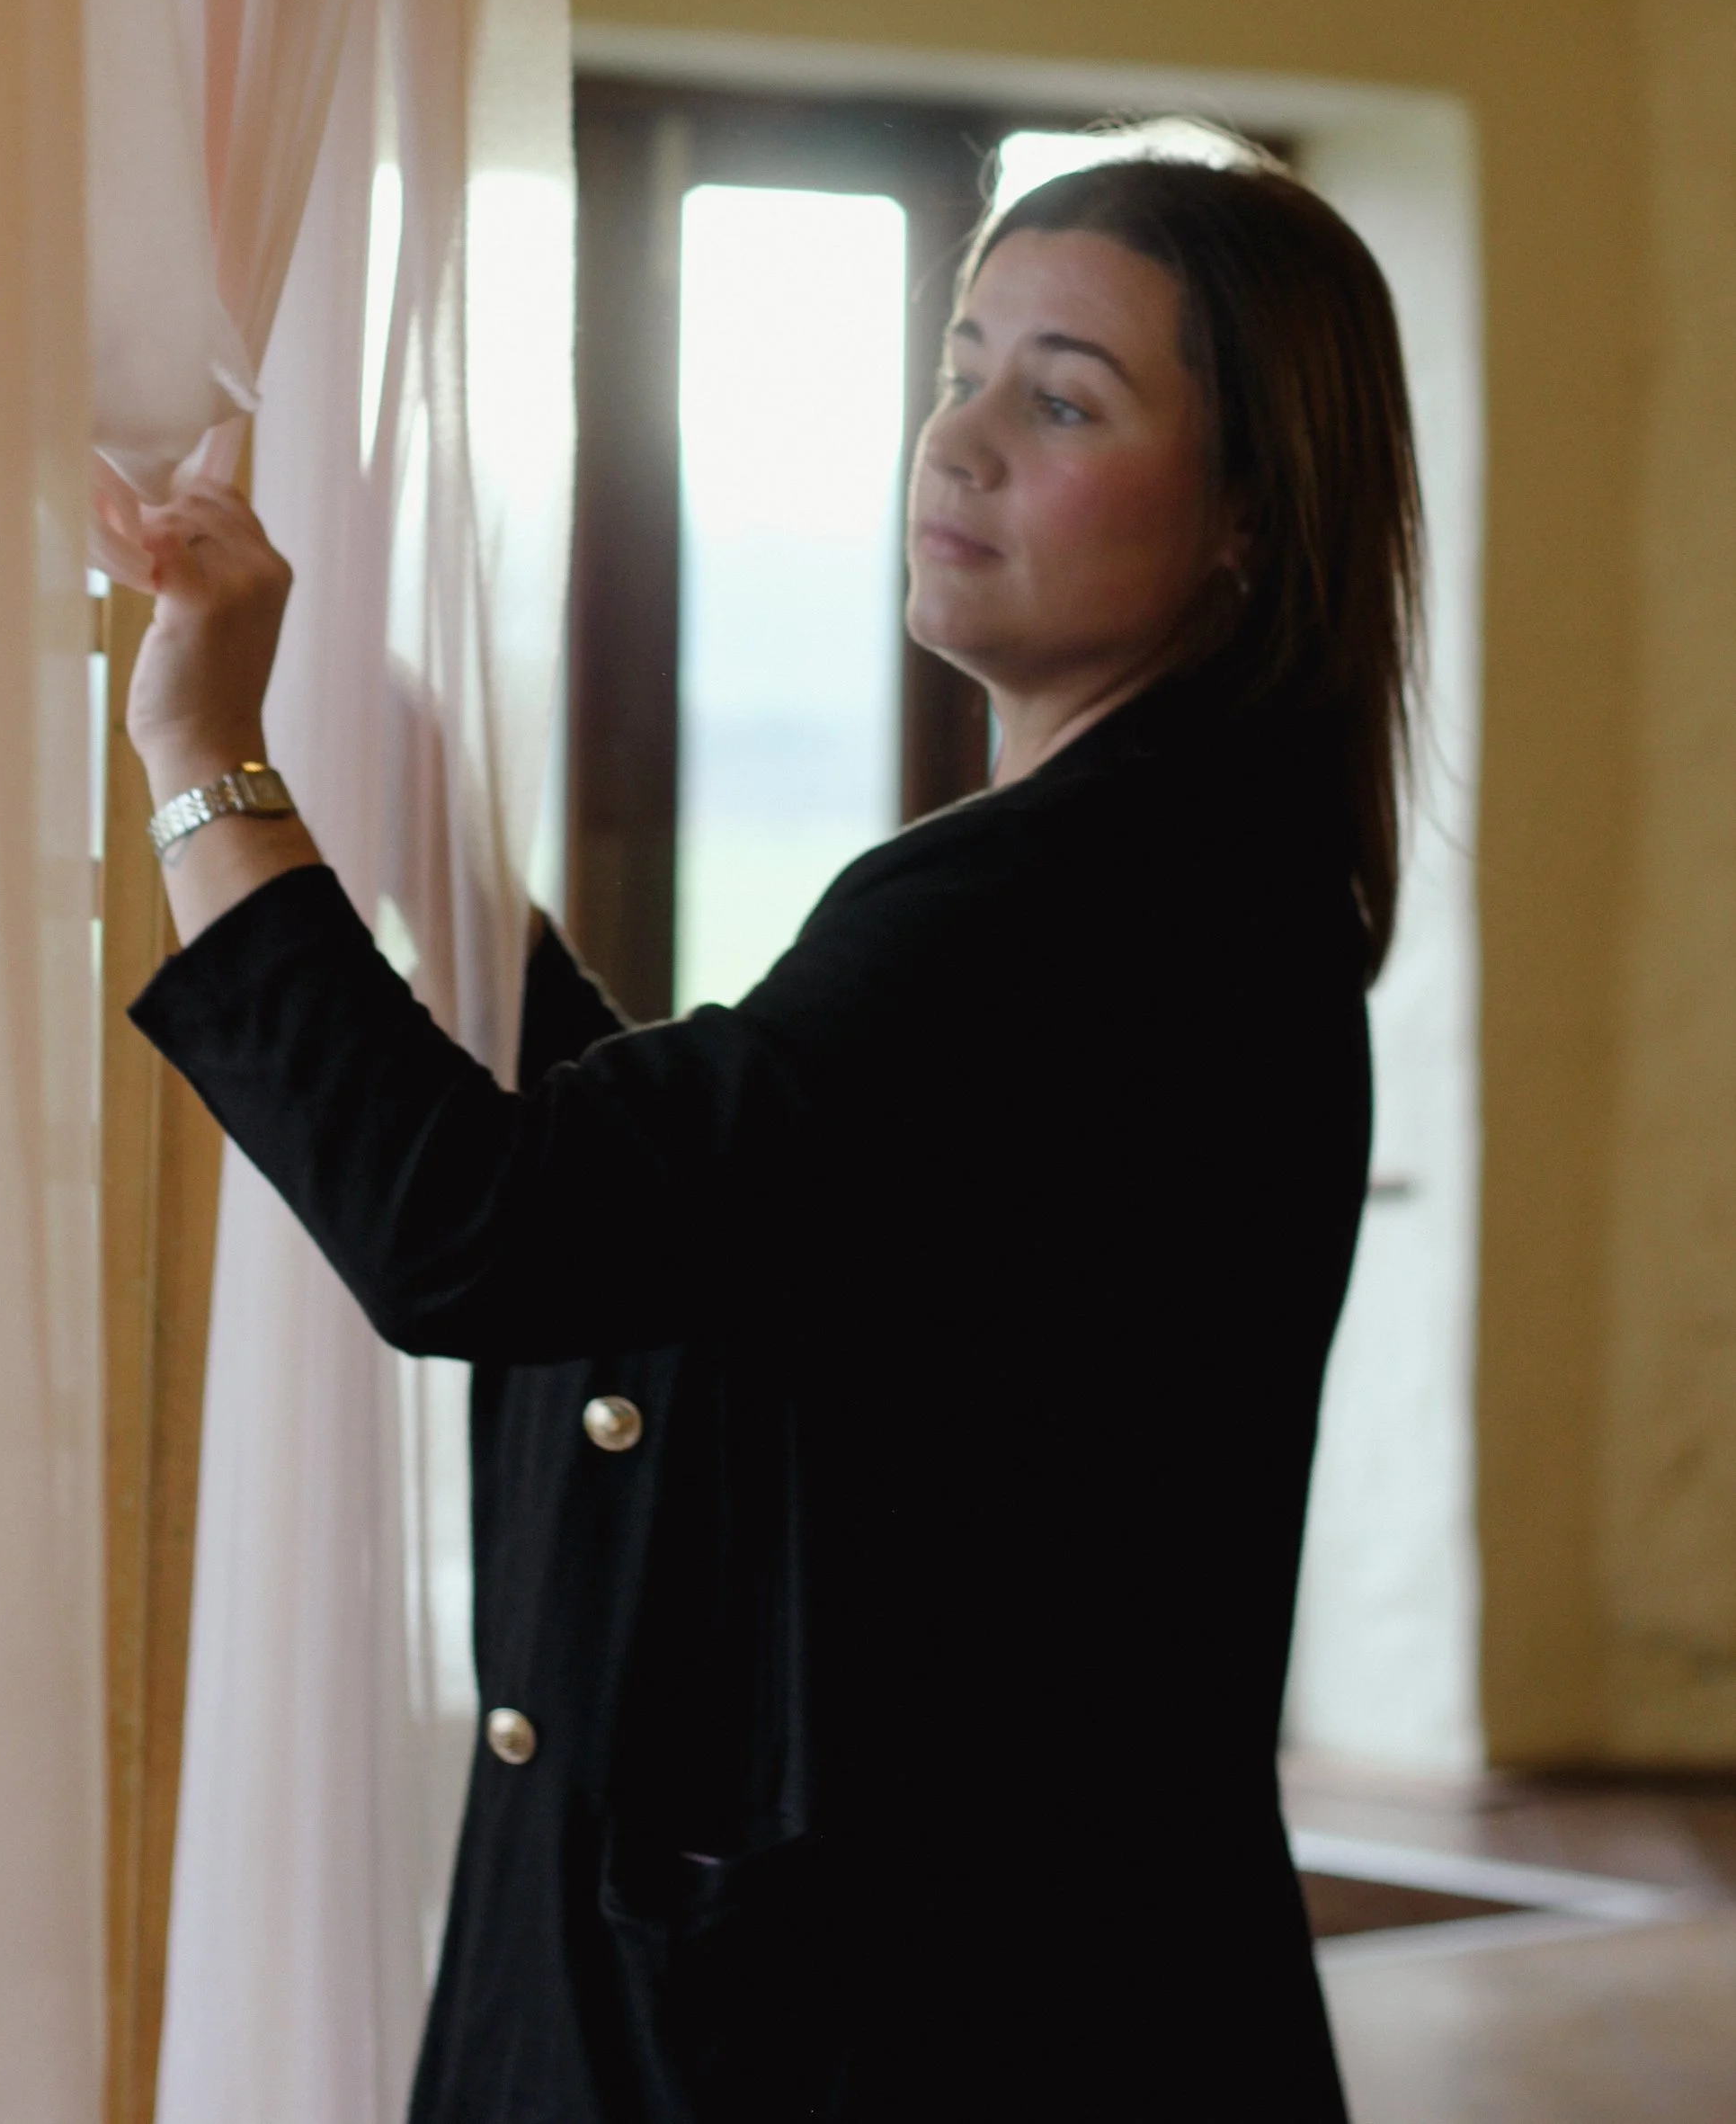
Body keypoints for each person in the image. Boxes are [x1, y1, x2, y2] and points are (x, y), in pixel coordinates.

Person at [124, 136, 1420, 2124]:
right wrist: (448, 866)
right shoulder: (1178, 876)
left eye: (1064, 400)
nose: (959, 441)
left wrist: (202, 759)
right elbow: (738, 1202)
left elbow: (480, 1233)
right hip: (1026, 1987)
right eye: (960, 368)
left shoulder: (1052, 909)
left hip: (905, 2024)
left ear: (1253, 514)